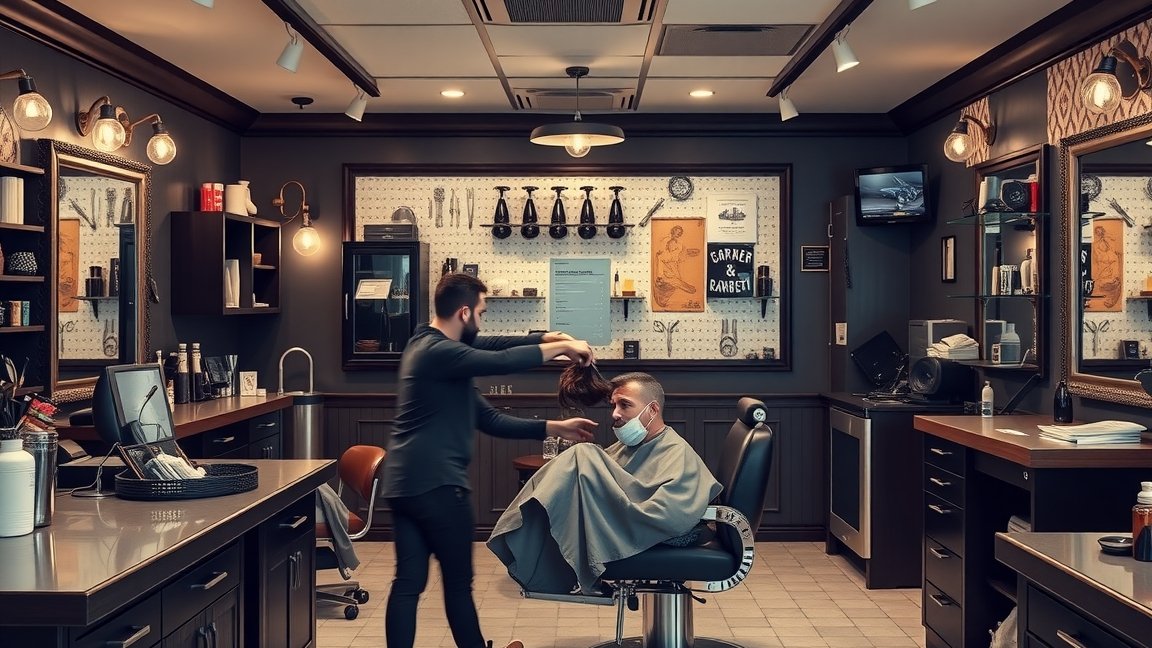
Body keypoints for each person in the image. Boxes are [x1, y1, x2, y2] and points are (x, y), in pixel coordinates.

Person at [382, 272, 598, 648]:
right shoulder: (441, 354)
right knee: (458, 585)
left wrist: (556, 426)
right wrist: (561, 350)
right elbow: (499, 359)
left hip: (404, 487)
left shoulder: (427, 346)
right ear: (464, 313)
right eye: (481, 312)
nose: (482, 322)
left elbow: (490, 417)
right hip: (439, 487)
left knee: (408, 583)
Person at [488, 372, 721, 596]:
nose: (615, 414)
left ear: (652, 409)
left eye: (625, 405)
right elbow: (614, 480)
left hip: (666, 532)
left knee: (582, 455)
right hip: (634, 523)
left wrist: (589, 463)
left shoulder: (677, 452)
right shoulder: (631, 446)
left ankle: (523, 537)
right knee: (580, 462)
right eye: (614, 406)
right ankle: (530, 541)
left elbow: (674, 514)